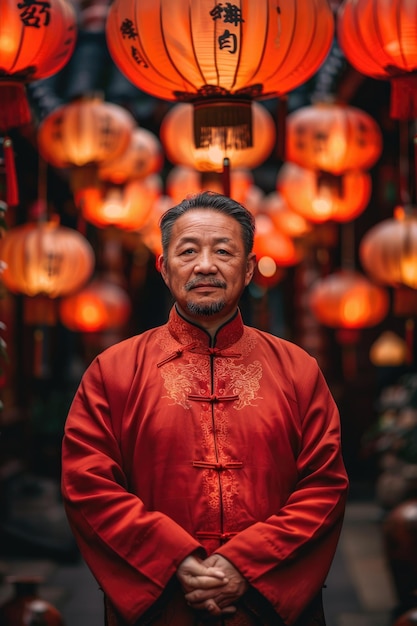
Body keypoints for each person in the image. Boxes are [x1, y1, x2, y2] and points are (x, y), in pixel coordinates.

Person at [61, 191, 349, 626]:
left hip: (264, 608)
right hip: (162, 605)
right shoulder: (114, 371)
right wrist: (175, 560)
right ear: (164, 267)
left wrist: (245, 565)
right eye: (189, 251)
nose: (205, 265)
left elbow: (324, 487)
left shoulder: (297, 370)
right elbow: (88, 484)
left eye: (224, 251)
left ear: (249, 268)